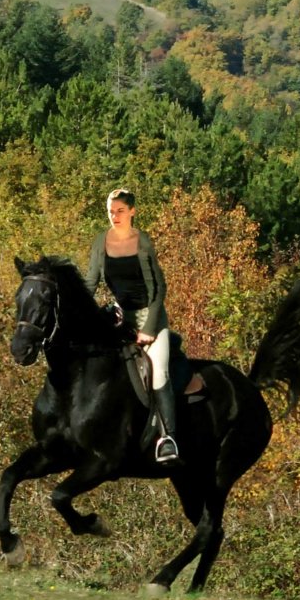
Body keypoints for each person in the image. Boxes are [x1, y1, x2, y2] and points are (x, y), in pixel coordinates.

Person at [84, 188, 179, 465]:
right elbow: (91, 283)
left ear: (132, 212)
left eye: (120, 211)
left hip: (151, 318)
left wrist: (149, 327)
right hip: (122, 319)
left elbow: (159, 288)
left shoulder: (143, 242)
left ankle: (167, 437)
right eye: (111, 211)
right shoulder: (101, 241)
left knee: (158, 372)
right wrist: (79, 310)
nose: (115, 216)